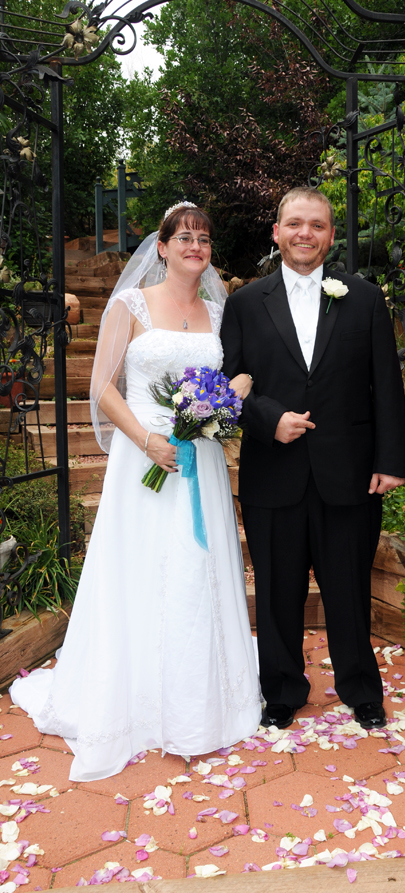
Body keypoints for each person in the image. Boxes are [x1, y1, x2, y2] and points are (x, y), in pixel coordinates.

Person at [10, 202, 262, 781]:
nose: (195, 245)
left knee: (196, 569)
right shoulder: (129, 306)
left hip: (197, 458)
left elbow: (230, 379)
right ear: (164, 246)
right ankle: (137, 700)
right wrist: (149, 440)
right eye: (184, 237)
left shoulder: (219, 311)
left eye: (204, 238)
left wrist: (228, 395)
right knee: (144, 570)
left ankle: (199, 700)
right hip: (144, 457)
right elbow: (103, 386)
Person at [221, 186, 405, 732]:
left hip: (347, 472)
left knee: (349, 586)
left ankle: (360, 688)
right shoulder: (243, 304)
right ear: (276, 232)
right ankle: (280, 689)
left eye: (318, 225)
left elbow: (385, 387)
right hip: (272, 473)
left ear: (331, 235)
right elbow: (227, 385)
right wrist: (267, 419)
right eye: (295, 223)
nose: (306, 233)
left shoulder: (366, 298)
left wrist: (391, 459)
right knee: (277, 591)